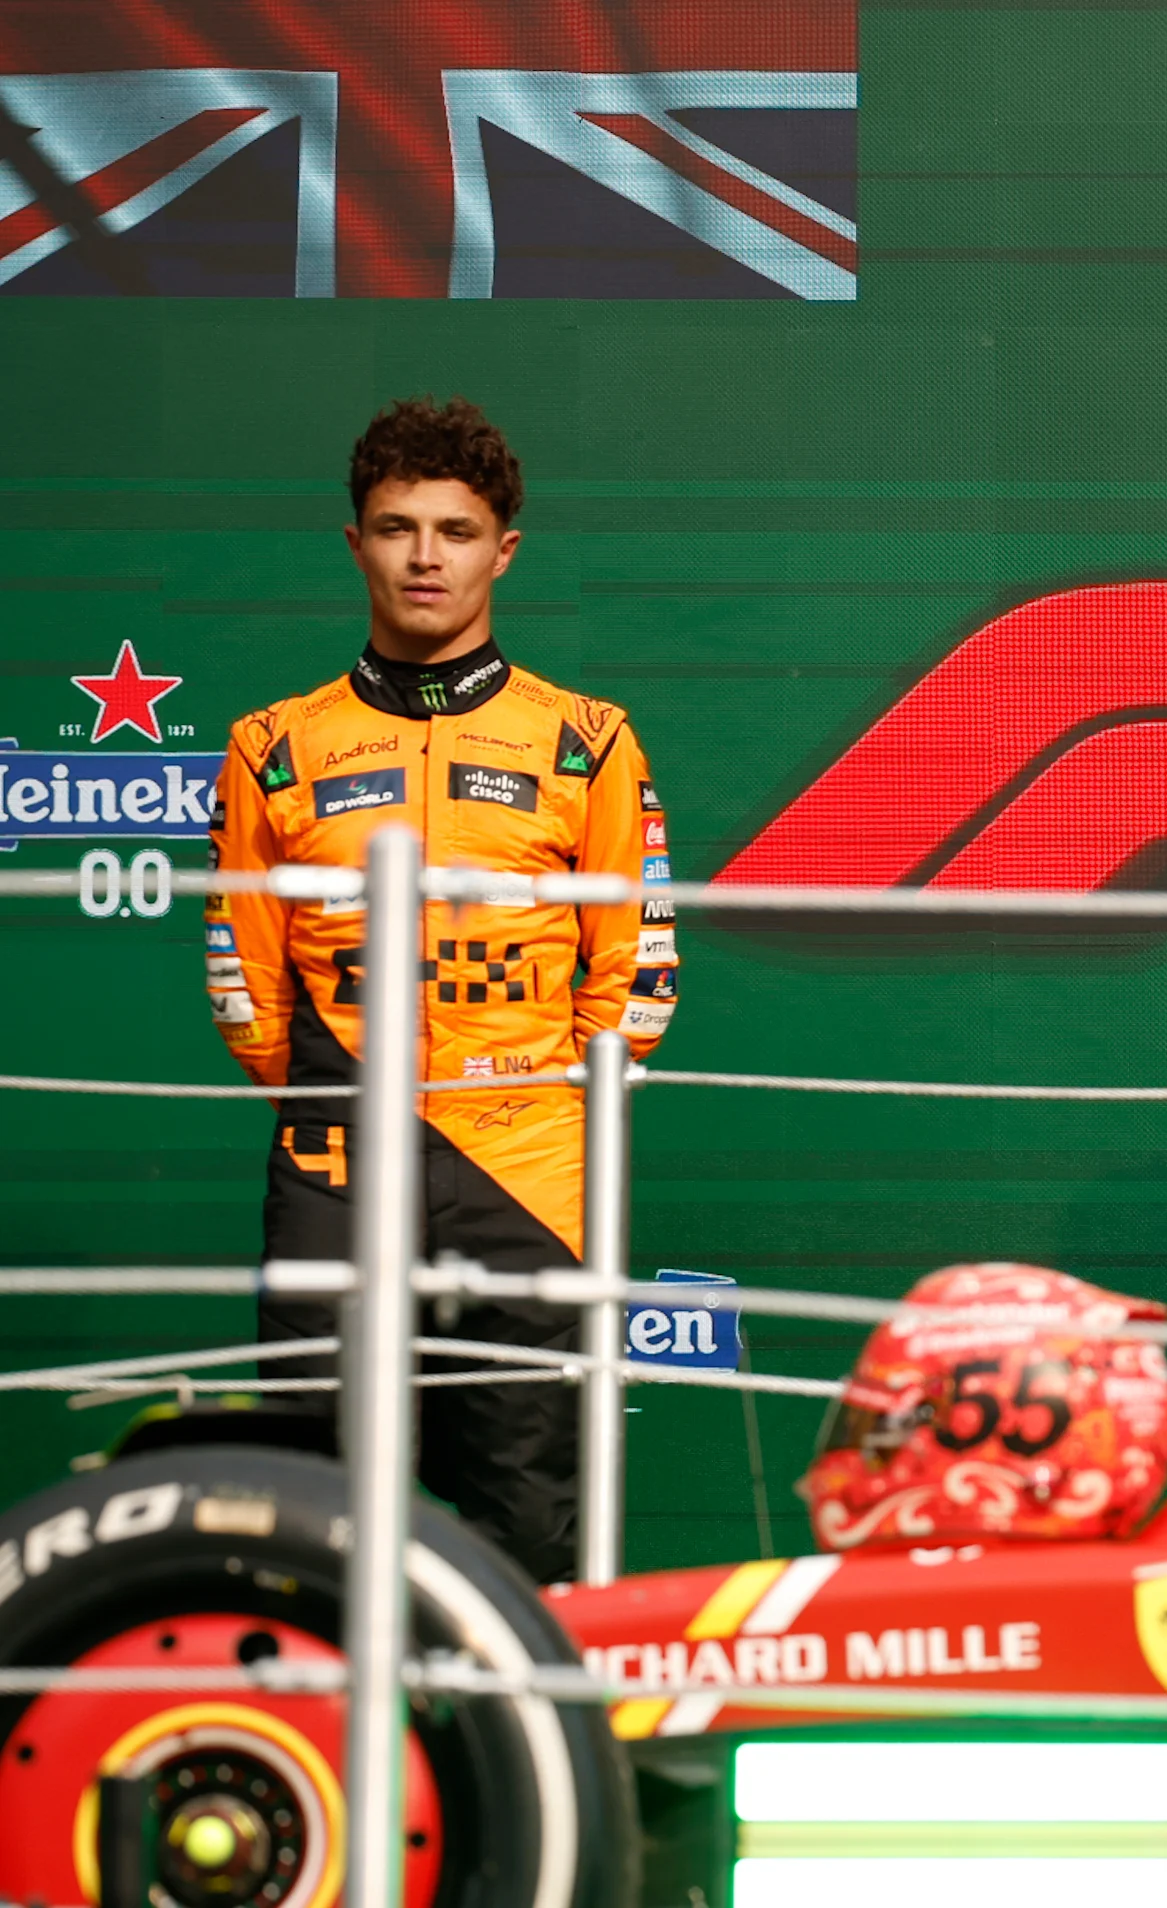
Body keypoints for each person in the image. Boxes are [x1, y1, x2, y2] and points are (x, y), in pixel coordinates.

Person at [210, 397, 680, 1582]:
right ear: (355, 543)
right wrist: (350, 1096)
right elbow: (249, 997)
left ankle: (528, 1762)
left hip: (527, 1179)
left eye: (456, 530)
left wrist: (523, 1100)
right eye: (396, 526)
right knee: (311, 1513)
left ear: (502, 550)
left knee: (528, 1524)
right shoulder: (274, 743)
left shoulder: (588, 739)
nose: (426, 556)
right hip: (334, 1165)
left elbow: (636, 979)